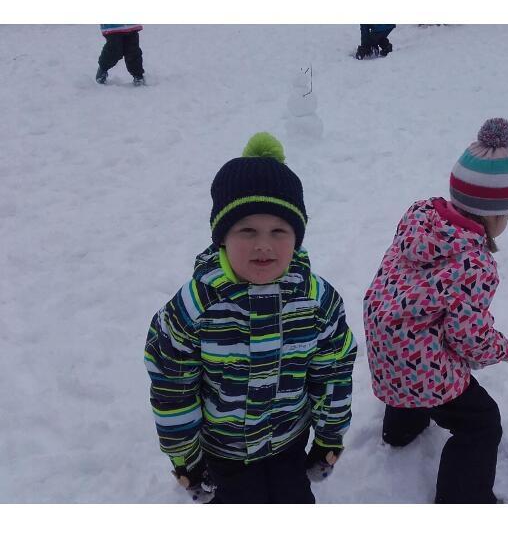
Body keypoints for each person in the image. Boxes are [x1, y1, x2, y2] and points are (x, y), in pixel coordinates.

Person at [144, 132, 356, 503]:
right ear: (222, 237)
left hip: (290, 440)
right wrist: (186, 459)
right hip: (224, 453)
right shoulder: (194, 309)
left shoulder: (316, 302)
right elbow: (173, 388)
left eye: (279, 231)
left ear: (296, 237)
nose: (263, 245)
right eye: (247, 230)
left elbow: (333, 372)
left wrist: (329, 436)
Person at [363, 117, 508, 503]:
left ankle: (400, 429)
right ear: (492, 214)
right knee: (481, 423)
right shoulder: (474, 264)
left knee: (413, 348)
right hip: (420, 365)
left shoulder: (420, 218)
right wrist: (507, 349)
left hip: (384, 346)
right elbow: (470, 339)